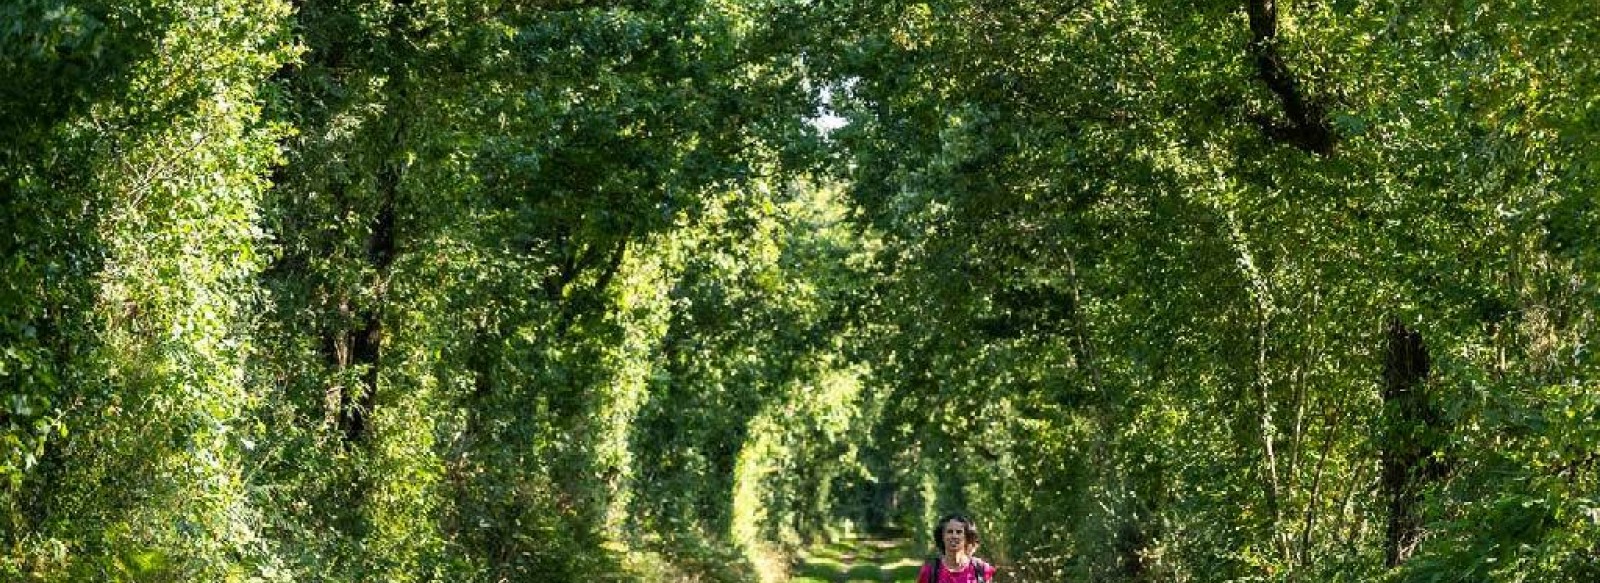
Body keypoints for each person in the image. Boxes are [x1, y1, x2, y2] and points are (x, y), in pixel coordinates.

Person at [916, 513, 996, 583]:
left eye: (959, 532)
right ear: (942, 537)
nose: (954, 536)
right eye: (950, 532)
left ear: (967, 538)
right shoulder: (930, 571)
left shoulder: (982, 570)